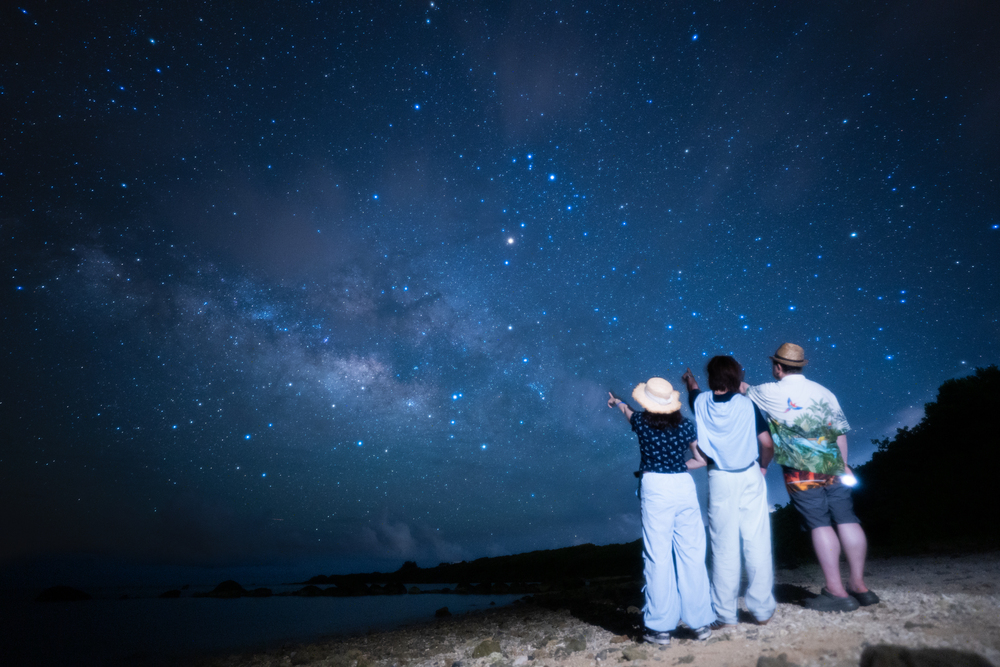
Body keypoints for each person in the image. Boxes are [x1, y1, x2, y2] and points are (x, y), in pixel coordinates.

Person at [743, 343, 879, 612]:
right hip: (833, 464)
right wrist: (844, 464)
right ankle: (859, 586)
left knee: (819, 524)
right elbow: (840, 432)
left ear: (778, 367)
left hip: (800, 469)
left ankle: (836, 592)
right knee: (847, 519)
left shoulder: (768, 391)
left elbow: (741, 388)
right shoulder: (824, 392)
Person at [608, 378, 715, 645]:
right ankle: (701, 623)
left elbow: (627, 411)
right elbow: (701, 460)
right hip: (683, 485)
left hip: (655, 486)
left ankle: (661, 628)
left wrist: (617, 401)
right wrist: (678, 466)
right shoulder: (686, 425)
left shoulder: (641, 422)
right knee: (692, 553)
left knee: (658, 556)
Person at [681, 357, 777, 628]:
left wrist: (689, 379)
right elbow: (767, 444)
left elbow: (694, 390)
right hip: (750, 473)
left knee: (723, 546)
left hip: (720, 477)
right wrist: (763, 466)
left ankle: (725, 614)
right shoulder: (747, 404)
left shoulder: (700, 403)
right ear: (736, 376)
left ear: (711, 377)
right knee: (757, 541)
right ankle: (761, 610)